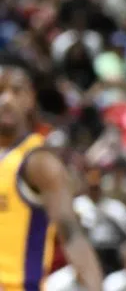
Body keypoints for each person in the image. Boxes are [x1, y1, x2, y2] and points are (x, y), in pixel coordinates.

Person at [0, 56, 104, 291]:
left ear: (30, 99)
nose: (6, 99)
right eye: (0, 91)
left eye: (16, 91)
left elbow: (72, 233)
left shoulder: (38, 161)